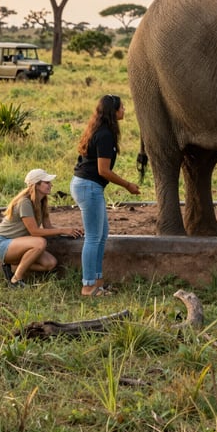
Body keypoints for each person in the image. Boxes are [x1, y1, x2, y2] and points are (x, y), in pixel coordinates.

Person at [70, 95, 140, 297]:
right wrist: (127, 185)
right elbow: (103, 170)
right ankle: (88, 286)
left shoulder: (99, 130)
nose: (125, 110)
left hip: (87, 185)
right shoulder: (105, 135)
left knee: (101, 236)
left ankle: (97, 283)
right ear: (113, 112)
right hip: (88, 186)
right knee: (93, 238)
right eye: (122, 107)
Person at [0, 168, 83, 288]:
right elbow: (34, 231)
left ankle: (12, 266)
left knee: (50, 263)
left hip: (17, 244)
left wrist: (70, 231)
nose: (51, 185)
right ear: (36, 185)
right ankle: (15, 280)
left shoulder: (41, 201)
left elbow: (48, 227)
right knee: (40, 242)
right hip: (2, 243)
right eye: (47, 182)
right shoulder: (25, 202)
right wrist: (62, 230)